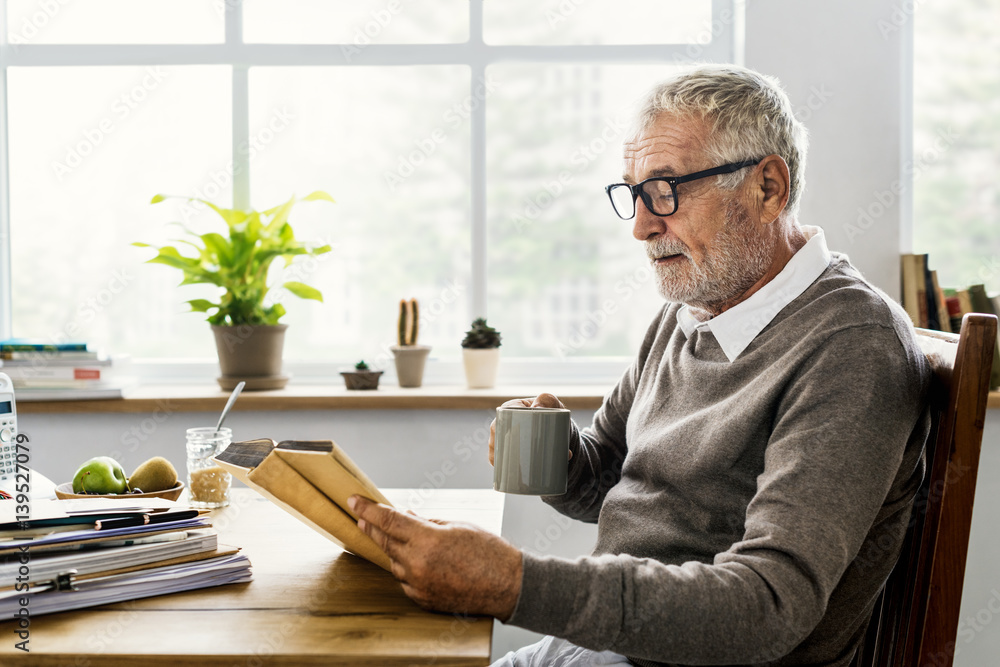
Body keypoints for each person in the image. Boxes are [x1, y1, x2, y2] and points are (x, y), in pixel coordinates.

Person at [350, 65, 931, 666]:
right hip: (611, 651)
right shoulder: (694, 309)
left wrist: (516, 584)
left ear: (768, 188)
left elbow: (768, 606)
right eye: (633, 193)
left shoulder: (851, 346)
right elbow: (615, 482)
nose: (642, 226)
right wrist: (566, 459)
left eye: (666, 190)